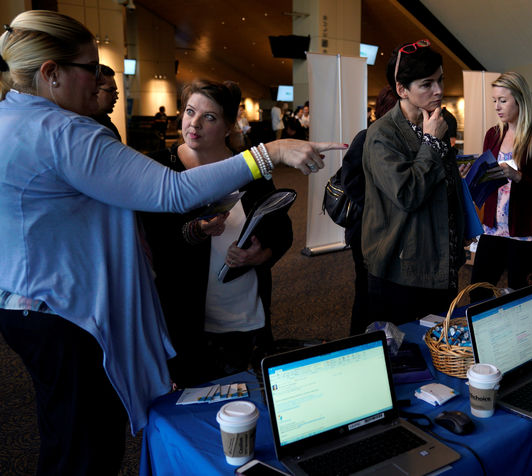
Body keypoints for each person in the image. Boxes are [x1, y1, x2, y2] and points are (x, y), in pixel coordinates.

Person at [0, 11, 342, 475]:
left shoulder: (12, 119)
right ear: (52, 73)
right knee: (86, 447)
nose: (99, 82)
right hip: (64, 316)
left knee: (63, 437)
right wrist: (272, 152)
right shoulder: (63, 131)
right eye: (91, 70)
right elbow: (172, 193)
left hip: (27, 305)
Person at [140, 80, 292, 386]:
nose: (193, 124)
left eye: (208, 117)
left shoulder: (247, 168)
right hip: (183, 313)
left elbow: (279, 226)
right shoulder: (160, 167)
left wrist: (261, 253)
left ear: (227, 127)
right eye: (189, 112)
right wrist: (196, 230)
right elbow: (152, 239)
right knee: (190, 401)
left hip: (241, 310)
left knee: (240, 398)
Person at [361, 39, 467, 325]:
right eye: (427, 84)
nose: (439, 90)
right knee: (405, 357)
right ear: (401, 90)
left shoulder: (434, 123)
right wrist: (431, 142)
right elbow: (407, 194)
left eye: (441, 80)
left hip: (440, 259)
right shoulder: (382, 135)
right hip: (402, 269)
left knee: (440, 347)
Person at [469, 71, 532, 301]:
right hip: (493, 227)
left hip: (526, 231)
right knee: (477, 291)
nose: (497, 107)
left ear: (520, 99)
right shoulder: (493, 135)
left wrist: (518, 177)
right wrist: (473, 175)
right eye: (494, 101)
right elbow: (489, 180)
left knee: (520, 296)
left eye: (503, 100)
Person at [341, 85, 396, 334]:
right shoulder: (367, 137)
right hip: (365, 229)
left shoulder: (404, 138)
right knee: (366, 290)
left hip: (391, 232)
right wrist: (379, 207)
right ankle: (357, 343)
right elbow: (350, 180)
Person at [91, 64, 120, 139]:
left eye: (116, 92)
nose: (116, 97)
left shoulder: (107, 124)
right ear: (95, 90)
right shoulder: (83, 126)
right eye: (111, 90)